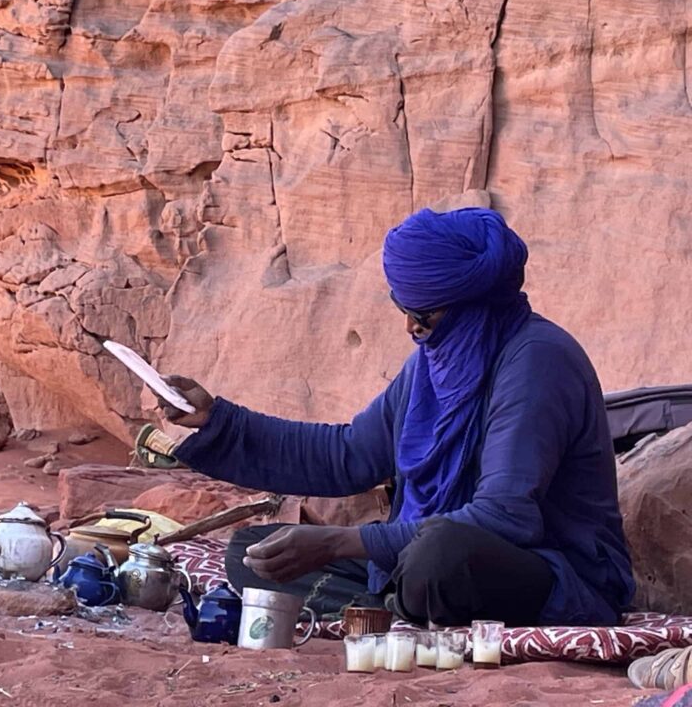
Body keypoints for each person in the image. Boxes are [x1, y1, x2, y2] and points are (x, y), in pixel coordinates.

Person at [158, 207, 634, 628]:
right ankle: (389, 605)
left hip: (552, 571)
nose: (410, 327)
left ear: (469, 306)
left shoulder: (537, 361)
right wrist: (217, 421)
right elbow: (347, 455)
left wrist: (337, 543)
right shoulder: (435, 361)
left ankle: (389, 604)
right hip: (426, 563)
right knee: (254, 553)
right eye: (402, 310)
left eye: (422, 315)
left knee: (440, 555)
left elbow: (503, 517)